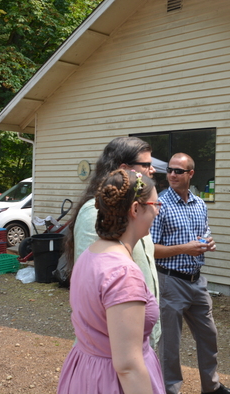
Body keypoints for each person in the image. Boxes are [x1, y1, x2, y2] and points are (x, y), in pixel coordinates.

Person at [57, 169, 165, 394]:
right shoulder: (123, 273)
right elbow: (128, 366)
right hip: (111, 383)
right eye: (156, 204)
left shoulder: (91, 253)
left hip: (85, 373)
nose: (157, 211)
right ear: (135, 209)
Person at [151, 153, 230, 394]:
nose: (172, 174)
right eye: (170, 170)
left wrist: (209, 242)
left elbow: (205, 233)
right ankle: (170, 390)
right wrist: (185, 248)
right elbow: (151, 248)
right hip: (170, 280)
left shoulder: (199, 203)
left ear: (190, 174)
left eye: (178, 171)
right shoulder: (159, 204)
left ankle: (211, 388)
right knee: (170, 344)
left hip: (197, 281)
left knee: (208, 335)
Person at [65, 136, 161, 347]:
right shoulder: (95, 212)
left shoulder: (138, 212)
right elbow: (90, 284)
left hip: (139, 335)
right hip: (114, 345)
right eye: (146, 165)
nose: (152, 170)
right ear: (124, 169)